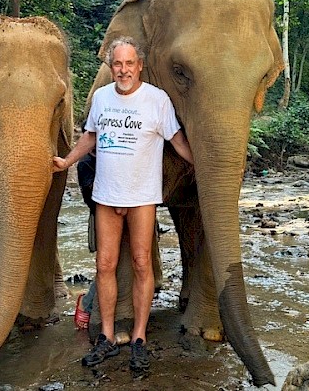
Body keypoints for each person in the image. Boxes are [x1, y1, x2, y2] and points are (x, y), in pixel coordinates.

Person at [53, 36, 193, 373]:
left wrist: (203, 164)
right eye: (118, 63)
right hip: (107, 195)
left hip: (142, 197)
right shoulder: (102, 98)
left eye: (129, 63)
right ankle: (106, 336)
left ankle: (139, 338)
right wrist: (67, 161)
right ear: (111, 66)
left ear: (139, 66)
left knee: (143, 264)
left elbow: (177, 140)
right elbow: (90, 137)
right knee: (105, 265)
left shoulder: (157, 100)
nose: (123, 70)